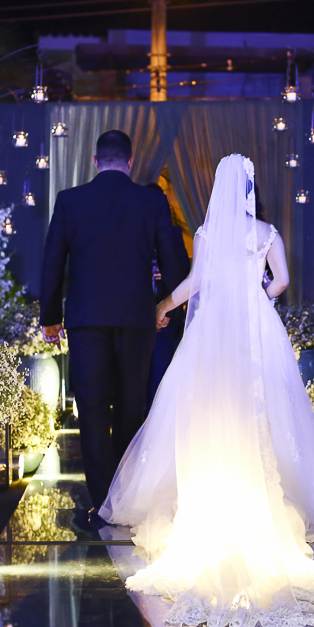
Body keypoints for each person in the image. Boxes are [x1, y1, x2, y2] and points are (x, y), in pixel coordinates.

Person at [100, 154, 314, 627]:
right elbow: (283, 282)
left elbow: (195, 283)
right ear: (251, 188)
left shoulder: (206, 235)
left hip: (213, 330)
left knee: (205, 409)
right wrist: (257, 295)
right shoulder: (267, 233)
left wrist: (163, 304)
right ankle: (262, 496)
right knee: (265, 411)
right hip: (255, 329)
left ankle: (212, 491)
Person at [40, 130, 188, 524]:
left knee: (91, 408)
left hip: (86, 319)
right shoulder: (150, 199)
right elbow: (171, 255)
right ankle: (126, 497)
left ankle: (102, 502)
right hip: (136, 318)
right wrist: (173, 302)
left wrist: (50, 317)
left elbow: (53, 261)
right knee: (130, 405)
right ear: (131, 161)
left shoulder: (70, 200)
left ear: (94, 160)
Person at [145, 181, 190, 409]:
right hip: (161, 312)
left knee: (151, 373)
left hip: (156, 313)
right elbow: (180, 271)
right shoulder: (172, 233)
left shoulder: (171, 233)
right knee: (157, 373)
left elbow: (178, 272)